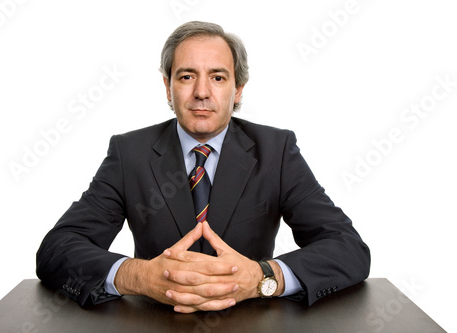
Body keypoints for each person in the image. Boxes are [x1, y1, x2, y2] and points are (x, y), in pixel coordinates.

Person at [36, 21, 370, 313]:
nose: (201, 93)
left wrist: (263, 277)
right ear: (167, 86)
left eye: (218, 77)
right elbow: (57, 248)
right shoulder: (129, 153)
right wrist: (138, 276)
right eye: (186, 76)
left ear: (238, 89)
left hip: (251, 322)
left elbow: (347, 247)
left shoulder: (277, 151)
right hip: (154, 322)